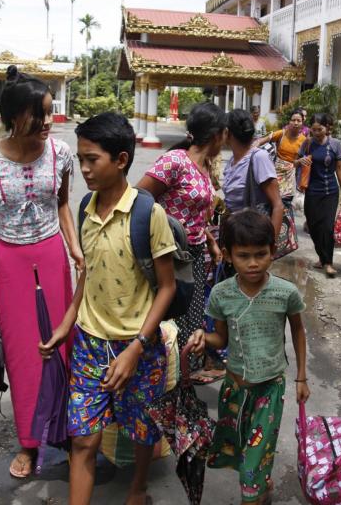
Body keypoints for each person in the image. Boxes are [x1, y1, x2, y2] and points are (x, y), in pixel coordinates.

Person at [39, 112, 176, 505]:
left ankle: (137, 489)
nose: (83, 169)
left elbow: (166, 288)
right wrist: (68, 323)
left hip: (140, 346)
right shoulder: (84, 208)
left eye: (91, 159)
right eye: (80, 159)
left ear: (120, 160)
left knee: (142, 429)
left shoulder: (149, 215)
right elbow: (88, 275)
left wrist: (136, 347)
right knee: (83, 440)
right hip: (89, 345)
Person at [0, 65, 82, 479]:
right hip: (11, 261)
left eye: (49, 113)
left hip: (52, 256)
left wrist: (75, 247)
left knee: (61, 344)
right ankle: (28, 442)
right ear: (15, 117)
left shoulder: (60, 154)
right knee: (23, 353)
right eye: (39, 115)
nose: (48, 123)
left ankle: (63, 430)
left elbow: (62, 204)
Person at [188, 210, 309, 505]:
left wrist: (302, 377)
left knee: (250, 472)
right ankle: (261, 484)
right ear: (228, 255)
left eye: (260, 254)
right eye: (244, 255)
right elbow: (221, 339)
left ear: (273, 251)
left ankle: (254, 492)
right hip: (235, 389)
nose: (253, 263)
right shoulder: (220, 294)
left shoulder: (285, 293)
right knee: (245, 451)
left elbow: (298, 332)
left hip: (269, 389)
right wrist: (204, 340)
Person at [137, 102, 226, 352]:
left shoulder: (206, 166)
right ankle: (164, 381)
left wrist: (210, 240)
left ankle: (184, 380)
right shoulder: (175, 161)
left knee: (191, 320)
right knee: (168, 321)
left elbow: (195, 213)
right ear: (217, 134)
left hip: (195, 255)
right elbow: (138, 199)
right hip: (169, 256)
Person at [296, 113, 341, 278]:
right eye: (314, 129)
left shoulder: (335, 144)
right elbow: (296, 161)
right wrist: (300, 162)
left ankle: (328, 263)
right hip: (311, 191)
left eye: (320, 129)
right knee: (313, 226)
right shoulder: (307, 143)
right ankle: (321, 256)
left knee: (327, 227)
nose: (316, 132)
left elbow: (339, 168)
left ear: (327, 128)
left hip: (330, 192)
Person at [223, 109, 284, 238]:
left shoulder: (258, 158)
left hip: (254, 235)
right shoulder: (232, 160)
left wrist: (270, 244)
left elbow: (278, 205)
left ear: (227, 133)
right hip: (235, 233)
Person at [255, 110, 308, 201]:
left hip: (291, 175)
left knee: (285, 202)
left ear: (302, 123)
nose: (295, 123)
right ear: (289, 121)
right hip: (275, 172)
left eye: (298, 121)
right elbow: (262, 140)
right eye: (293, 120)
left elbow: (306, 159)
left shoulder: (304, 140)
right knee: (270, 199)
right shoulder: (282, 133)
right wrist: (252, 147)